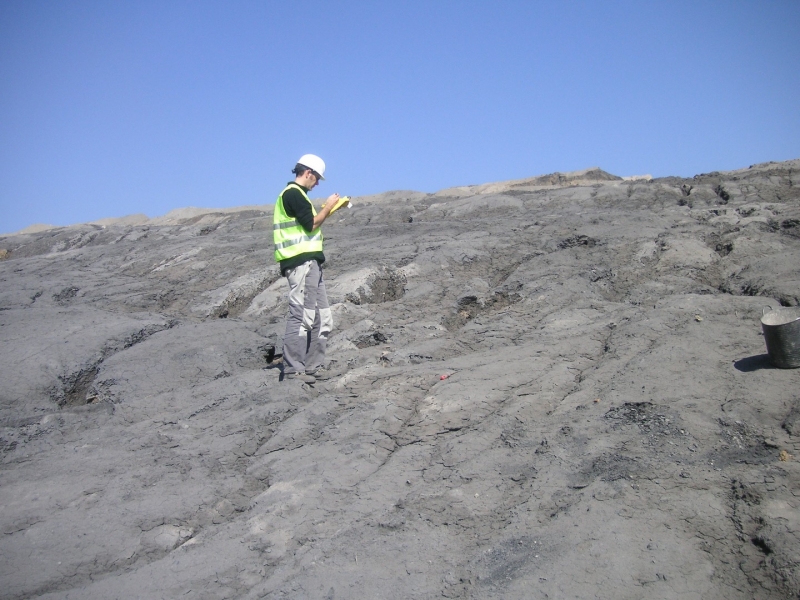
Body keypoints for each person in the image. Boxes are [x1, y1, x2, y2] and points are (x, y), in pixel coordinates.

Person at [273, 154, 340, 384]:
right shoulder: (293, 194)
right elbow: (311, 225)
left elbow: (310, 225)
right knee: (301, 315)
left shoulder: (299, 196)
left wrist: (330, 209)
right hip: (300, 262)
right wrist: (328, 206)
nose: (318, 183)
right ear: (308, 173)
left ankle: (312, 367)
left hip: (310, 262)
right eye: (317, 178)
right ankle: (294, 369)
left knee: (322, 316)